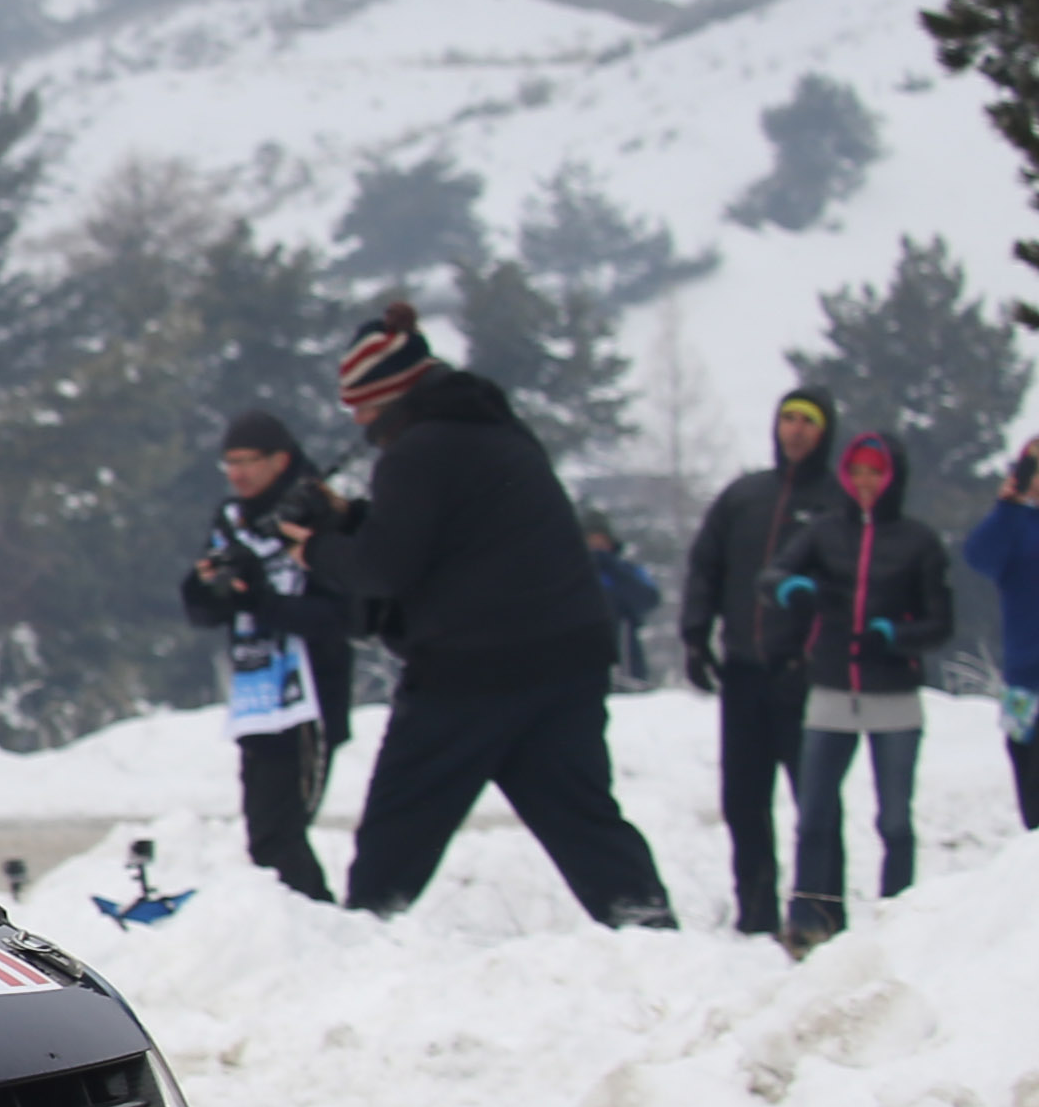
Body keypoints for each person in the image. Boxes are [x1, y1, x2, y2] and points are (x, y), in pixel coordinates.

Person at [298, 298, 675, 925]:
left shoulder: (416, 452)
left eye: (361, 407)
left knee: (402, 820)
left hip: (470, 668)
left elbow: (386, 567)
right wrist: (353, 518)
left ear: (389, 397)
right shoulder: (494, 430)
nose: (358, 422)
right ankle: (648, 929)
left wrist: (317, 550)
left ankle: (366, 931)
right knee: (581, 816)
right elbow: (448, 537)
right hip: (566, 654)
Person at [765, 430, 952, 948]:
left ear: (893, 478)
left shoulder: (918, 541)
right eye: (857, 472)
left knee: (894, 822)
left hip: (894, 698)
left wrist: (893, 636)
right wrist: (792, 588)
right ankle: (807, 922)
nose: (865, 482)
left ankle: (898, 919)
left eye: (875, 472)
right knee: (814, 816)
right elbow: (774, 574)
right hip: (830, 690)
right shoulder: (824, 533)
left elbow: (941, 623)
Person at [678, 390, 839, 937]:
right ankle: (755, 911)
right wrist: (695, 636)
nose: (796, 430)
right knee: (743, 800)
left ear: (825, 433)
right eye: (788, 419)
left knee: (814, 802)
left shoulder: (835, 501)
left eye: (808, 422)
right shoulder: (744, 496)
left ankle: (821, 910)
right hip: (744, 671)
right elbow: (706, 565)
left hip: (806, 675)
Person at [181, 408, 357, 902]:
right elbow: (203, 609)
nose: (237, 474)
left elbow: (339, 617)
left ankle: (315, 922)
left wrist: (262, 598)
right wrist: (212, 588)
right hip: (256, 702)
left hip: (309, 699)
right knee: (265, 837)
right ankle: (303, 922)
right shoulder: (233, 521)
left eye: (247, 461)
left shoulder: (317, 515)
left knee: (280, 836)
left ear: (279, 460)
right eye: (229, 463)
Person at [962, 435, 1039, 829]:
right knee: (1031, 799)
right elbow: (978, 556)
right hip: (1024, 682)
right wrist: (1007, 507)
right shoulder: (1015, 526)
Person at [587, 518, 661, 686]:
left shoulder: (627, 571)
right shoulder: (571, 575)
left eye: (601, 542)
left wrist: (614, 569)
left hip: (627, 658)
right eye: (591, 542)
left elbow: (650, 598)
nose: (597, 547)